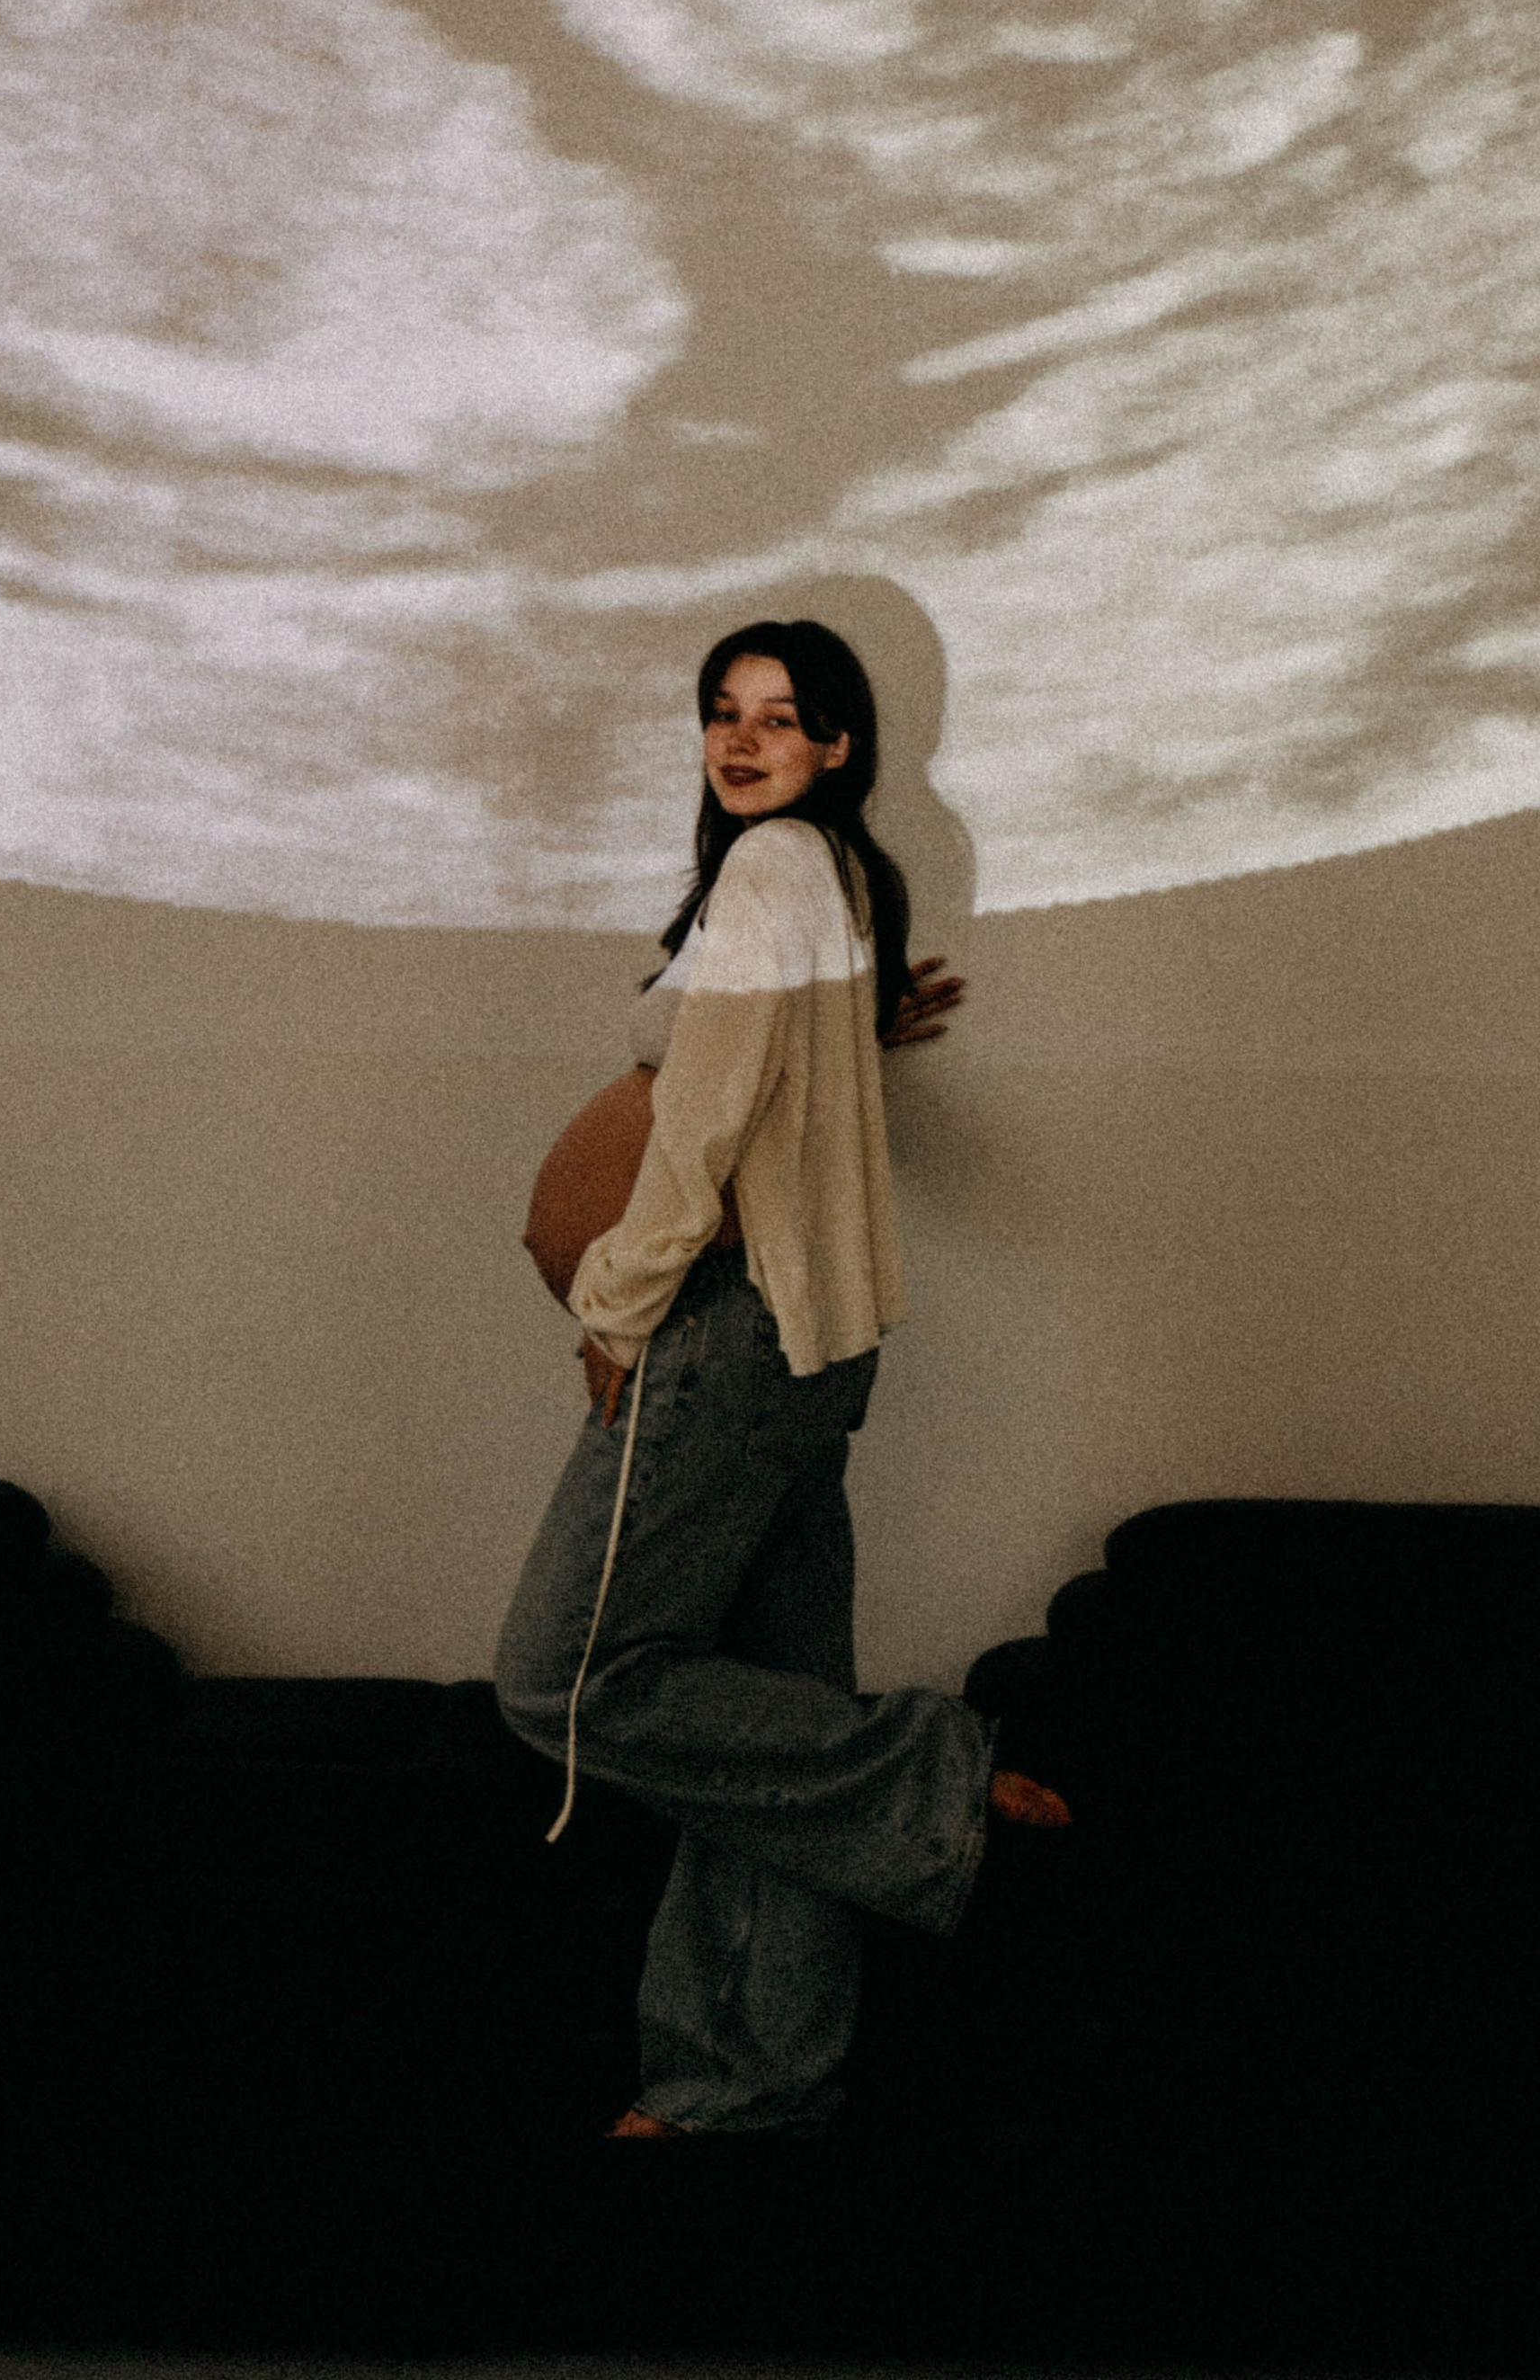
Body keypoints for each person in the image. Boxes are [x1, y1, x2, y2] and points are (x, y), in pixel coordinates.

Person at [494, 614, 1068, 2139]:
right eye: (722, 713)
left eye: (781, 717)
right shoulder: (807, 882)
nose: (743, 739)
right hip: (803, 1346)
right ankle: (739, 2086)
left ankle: (936, 1786)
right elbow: (772, 1078)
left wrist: (615, 1307)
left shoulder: (772, 870)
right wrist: (859, 1029)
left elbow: (703, 1128)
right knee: (769, 1710)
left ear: (839, 747)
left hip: (728, 1330)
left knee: (561, 1680)